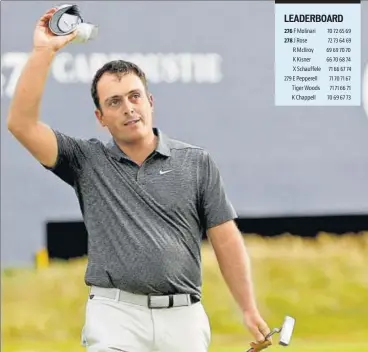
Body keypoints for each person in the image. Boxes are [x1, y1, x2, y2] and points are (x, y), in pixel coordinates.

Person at [7, 8, 272, 352]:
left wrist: (248, 308)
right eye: (114, 102)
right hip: (114, 315)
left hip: (183, 318)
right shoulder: (85, 161)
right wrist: (44, 51)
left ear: (150, 101)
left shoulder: (196, 162)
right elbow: (22, 125)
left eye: (134, 97)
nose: (128, 108)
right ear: (100, 117)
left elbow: (226, 240)